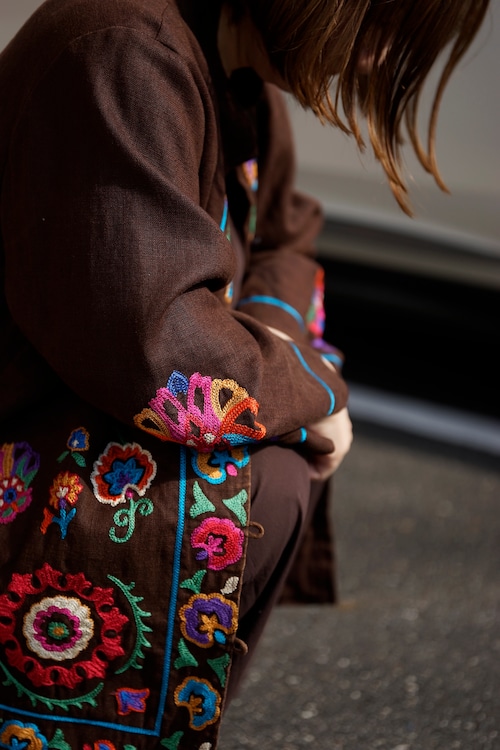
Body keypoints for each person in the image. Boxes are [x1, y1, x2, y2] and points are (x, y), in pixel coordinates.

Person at [0, 0, 489, 747]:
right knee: (252, 476)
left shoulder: (231, 61)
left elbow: (290, 234)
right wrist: (313, 390)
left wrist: (281, 363)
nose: (376, 62)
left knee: (275, 454)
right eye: (383, 28)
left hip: (75, 402)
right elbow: (162, 354)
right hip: (23, 437)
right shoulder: (127, 52)